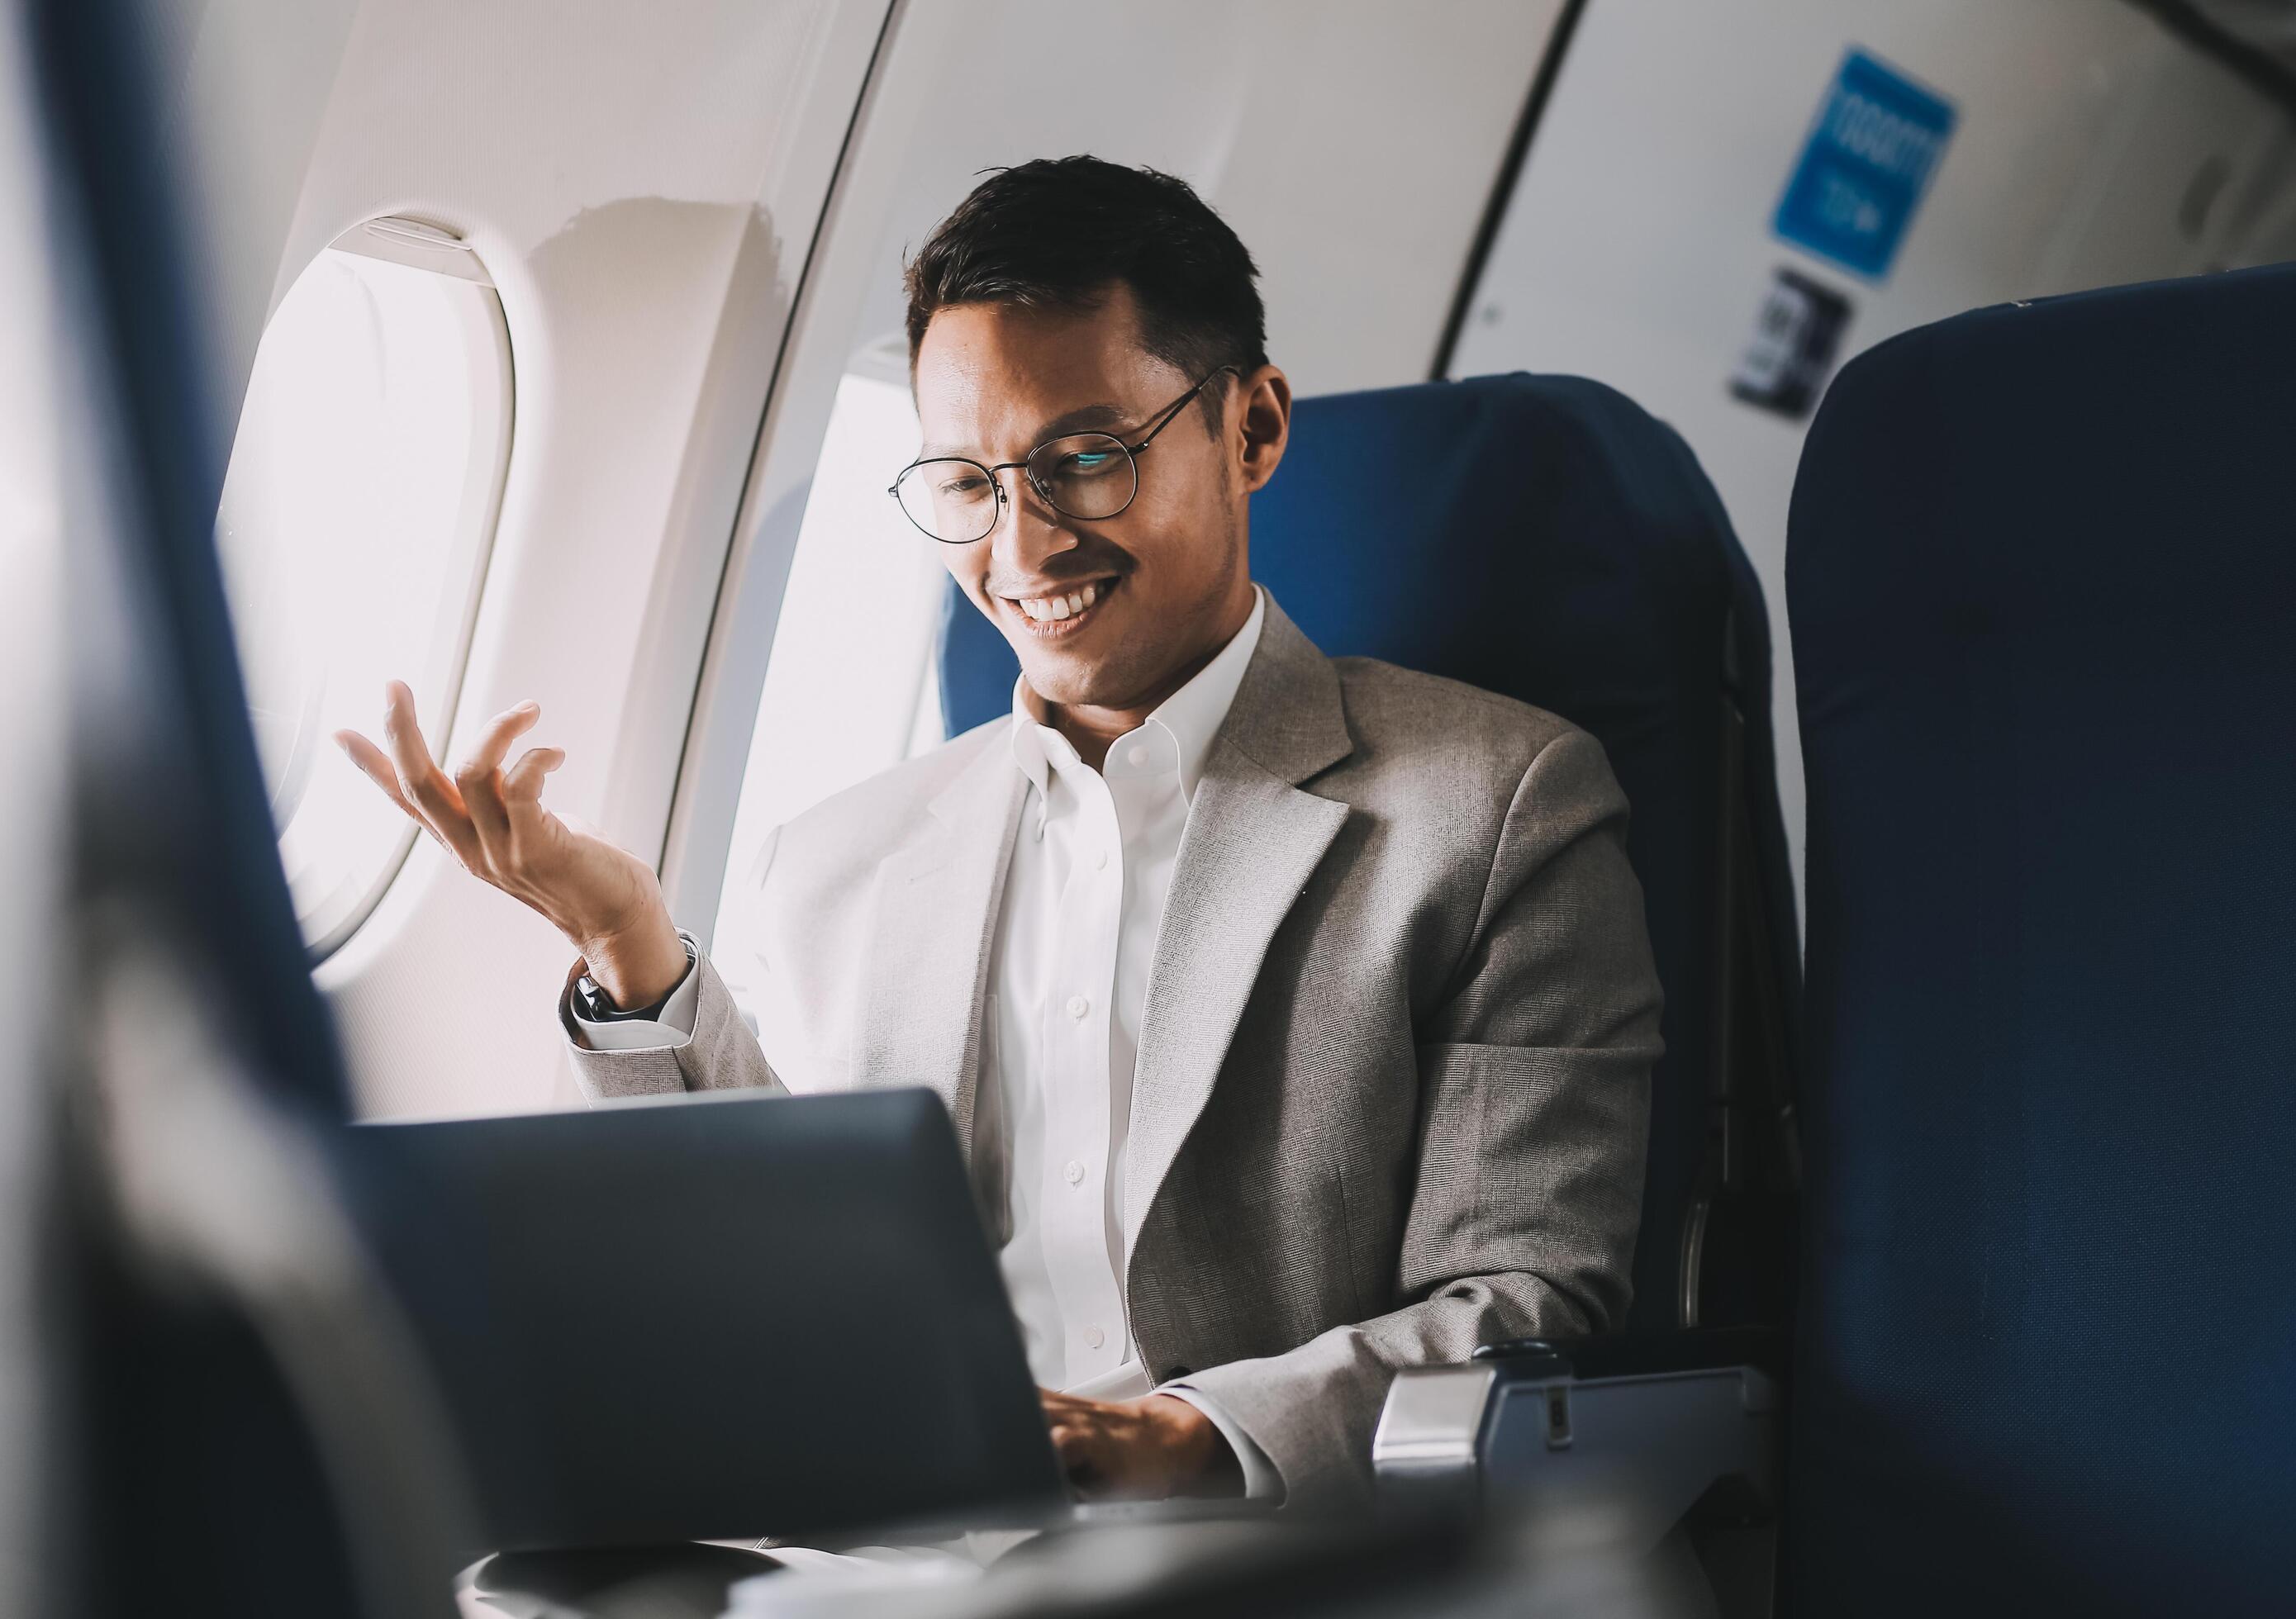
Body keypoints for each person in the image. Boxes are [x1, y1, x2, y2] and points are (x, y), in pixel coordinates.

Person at [341, 154, 1661, 1513]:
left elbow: (1523, 1304)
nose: (1023, 548)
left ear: (1253, 429)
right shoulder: (841, 856)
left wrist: (1186, 1439)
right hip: (927, 1552)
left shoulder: (1497, 807)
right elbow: (802, 1266)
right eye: (967, 484)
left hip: (1298, 1556)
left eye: (1085, 459)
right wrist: (626, 943)